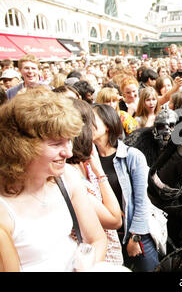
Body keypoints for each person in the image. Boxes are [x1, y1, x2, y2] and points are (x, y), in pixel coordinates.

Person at [0, 90, 107, 271]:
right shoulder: (4, 208)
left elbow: (97, 239)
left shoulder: (66, 177)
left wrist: (87, 264)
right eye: (56, 144)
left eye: (69, 141)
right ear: (21, 147)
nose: (69, 153)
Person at [92, 104, 159, 272]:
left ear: (107, 125)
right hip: (106, 238)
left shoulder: (132, 157)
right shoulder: (86, 160)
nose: (85, 126)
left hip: (135, 234)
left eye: (91, 121)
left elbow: (141, 200)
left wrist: (135, 238)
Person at [66, 99, 124, 266]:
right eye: (91, 123)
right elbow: (114, 220)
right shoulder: (69, 174)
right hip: (92, 262)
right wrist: (100, 173)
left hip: (110, 259)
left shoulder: (86, 163)